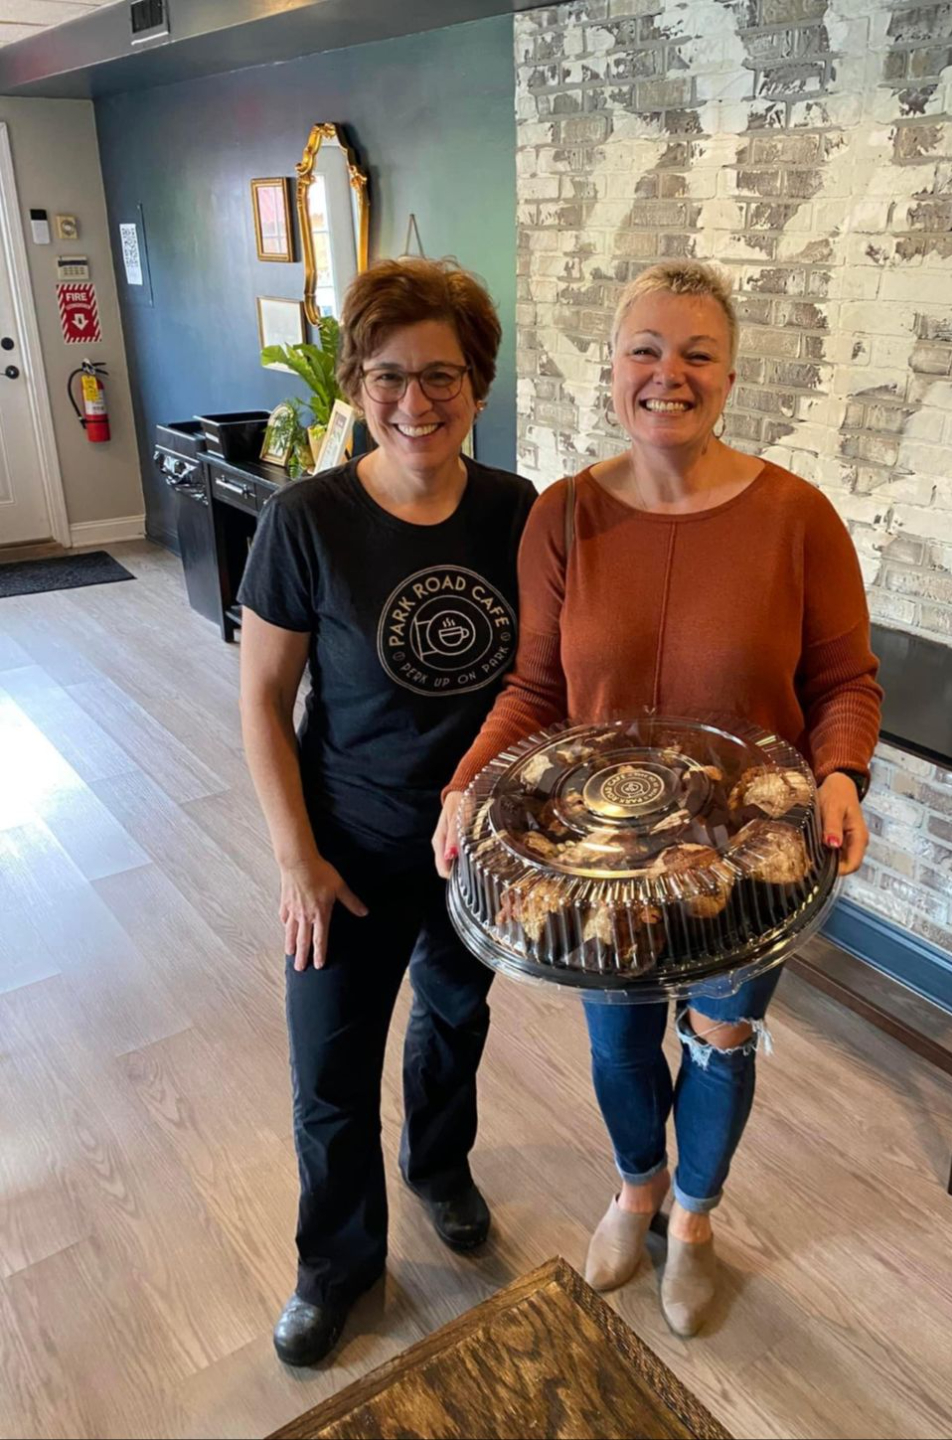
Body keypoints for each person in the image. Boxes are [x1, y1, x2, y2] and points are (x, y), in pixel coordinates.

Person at [435, 259, 881, 1338]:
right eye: (644, 349)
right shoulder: (562, 517)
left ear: (729, 376)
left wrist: (839, 772)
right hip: (601, 870)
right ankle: (635, 1188)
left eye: (696, 354)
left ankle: (692, 1216)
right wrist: (465, 786)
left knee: (720, 1041)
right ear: (612, 366)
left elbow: (845, 682)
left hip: (751, 862)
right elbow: (536, 689)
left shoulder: (797, 517)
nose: (666, 374)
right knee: (620, 1045)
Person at [239, 257, 535, 1366]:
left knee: (454, 1021)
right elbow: (262, 702)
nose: (415, 402)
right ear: (357, 383)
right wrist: (295, 860)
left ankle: (439, 1166)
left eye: (441, 376)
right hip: (346, 848)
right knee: (329, 1068)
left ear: (477, 384)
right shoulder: (306, 520)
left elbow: (539, 680)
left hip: (474, 850)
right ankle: (337, 1264)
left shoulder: (516, 513)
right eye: (388, 376)